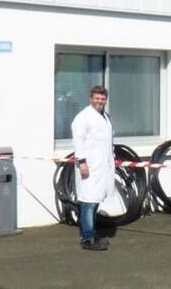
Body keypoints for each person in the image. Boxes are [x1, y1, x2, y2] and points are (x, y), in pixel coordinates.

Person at [71, 85, 114, 250]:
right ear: (90, 99)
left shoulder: (105, 117)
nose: (100, 101)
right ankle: (87, 238)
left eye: (102, 99)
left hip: (102, 166)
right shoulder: (83, 118)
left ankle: (92, 234)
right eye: (97, 98)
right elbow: (78, 142)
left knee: (95, 201)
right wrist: (82, 162)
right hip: (89, 166)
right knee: (88, 202)